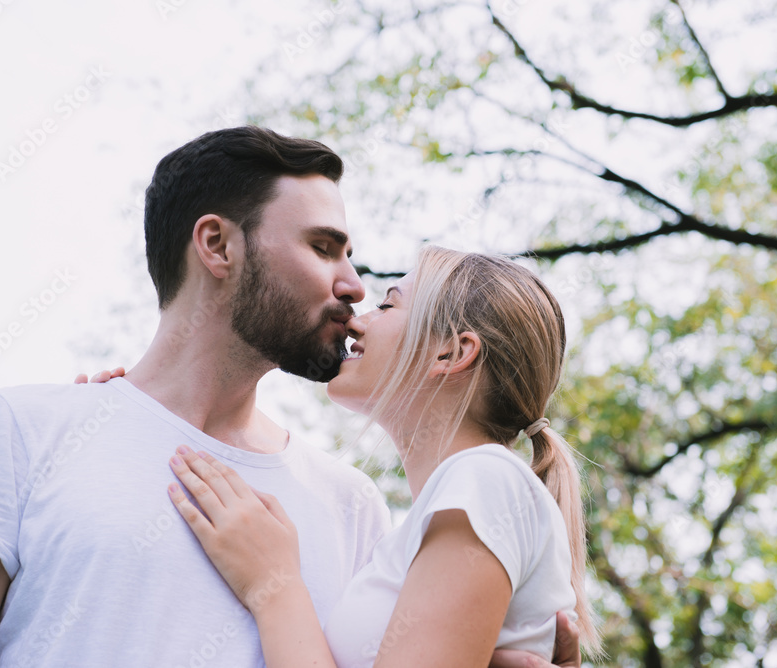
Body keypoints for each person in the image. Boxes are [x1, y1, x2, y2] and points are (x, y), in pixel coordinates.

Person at [0, 127, 578, 667]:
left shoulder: (353, 505)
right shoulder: (8, 433)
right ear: (217, 245)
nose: (355, 286)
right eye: (323, 247)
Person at [164, 246, 603, 667]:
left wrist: (274, 586)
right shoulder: (443, 510)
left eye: (389, 306)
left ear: (451, 352)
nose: (357, 322)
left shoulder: (487, 479)